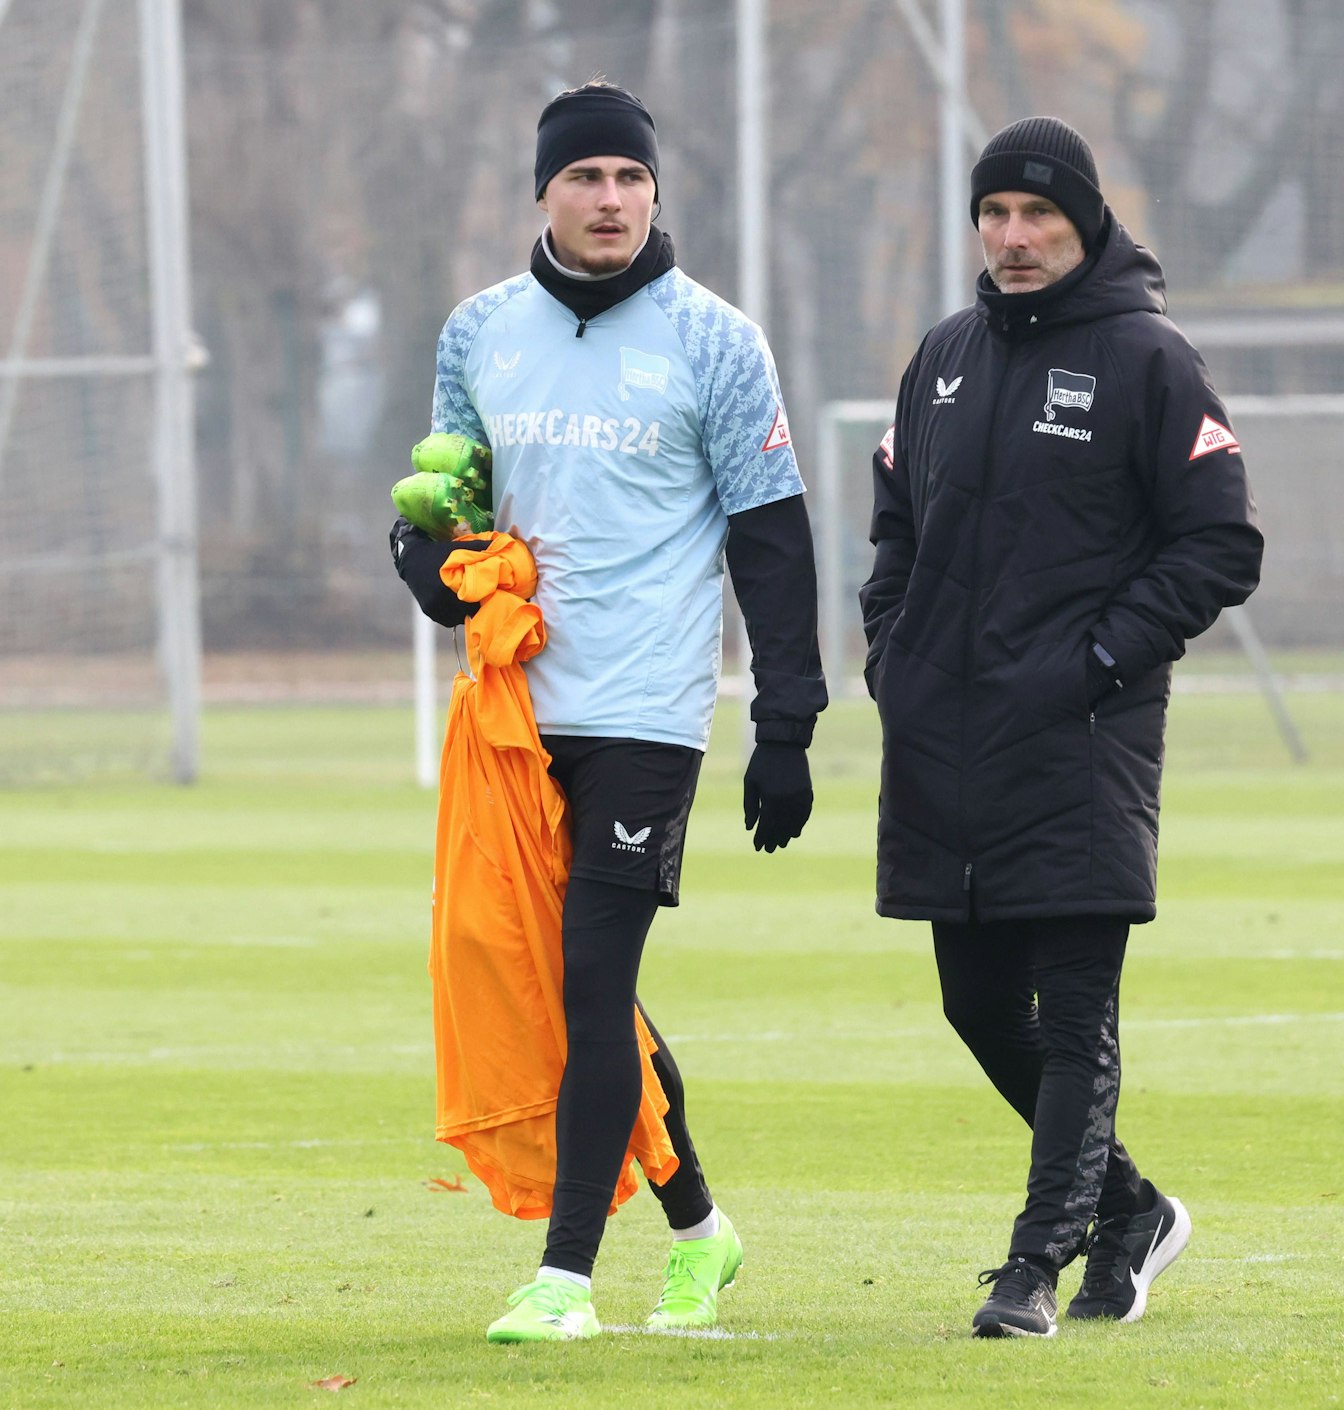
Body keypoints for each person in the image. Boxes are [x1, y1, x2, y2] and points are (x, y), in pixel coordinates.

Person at [390, 79, 826, 1342]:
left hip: (645, 711)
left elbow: (772, 542)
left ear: (654, 194)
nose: (611, 199)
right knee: (577, 989)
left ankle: (564, 1276)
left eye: (631, 179)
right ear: (543, 191)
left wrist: (783, 723)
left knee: (588, 980)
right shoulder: (477, 331)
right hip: (516, 713)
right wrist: (427, 564)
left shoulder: (716, 341)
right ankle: (699, 1225)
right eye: (586, 177)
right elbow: (444, 499)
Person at [859, 117, 1263, 1338]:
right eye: (994, 213)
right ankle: (1131, 1209)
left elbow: (1219, 541)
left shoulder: (1149, 359)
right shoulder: (939, 357)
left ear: (1083, 222)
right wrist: (894, 652)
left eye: (1038, 214)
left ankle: (1035, 1268)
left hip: (1080, 740)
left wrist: (1096, 659)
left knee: (1077, 1011)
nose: (1015, 235)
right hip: (942, 740)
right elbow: (894, 527)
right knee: (976, 1007)